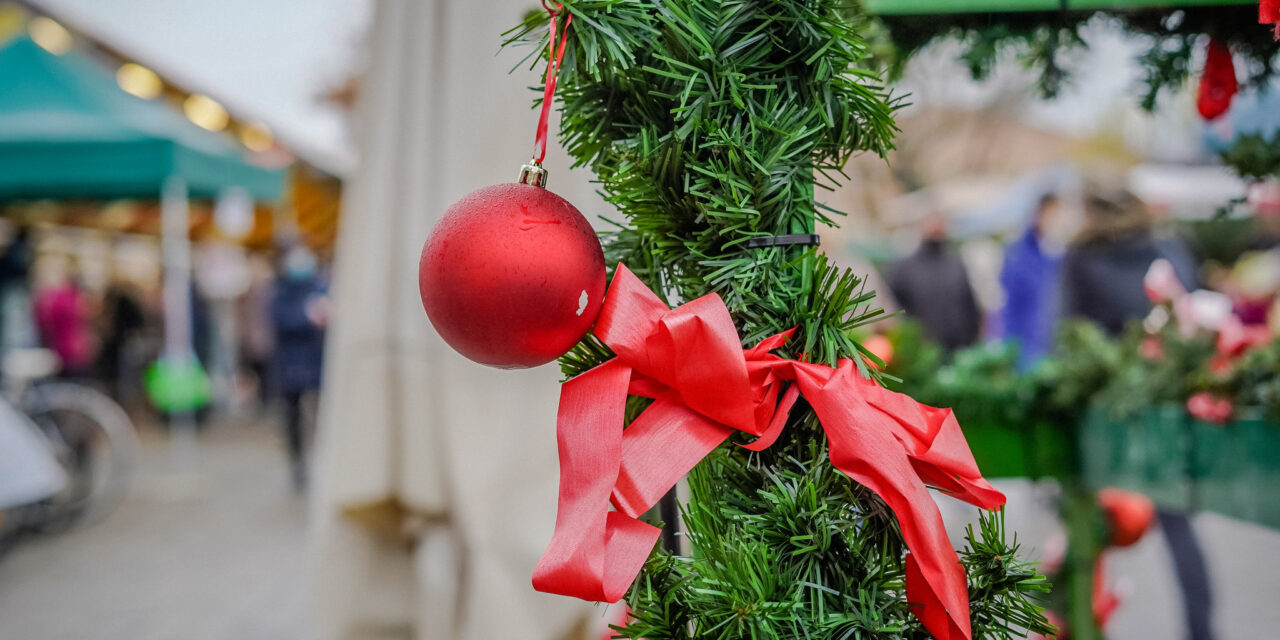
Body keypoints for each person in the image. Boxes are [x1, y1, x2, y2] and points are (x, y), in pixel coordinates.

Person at [271, 246, 328, 491]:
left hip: (315, 364)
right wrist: (307, 317)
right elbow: (280, 321)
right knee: (293, 420)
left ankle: (321, 462)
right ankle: (298, 466)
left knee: (319, 416)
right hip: (291, 365)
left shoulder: (318, 287)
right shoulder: (280, 293)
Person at [887, 213, 982, 351]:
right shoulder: (906, 268)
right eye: (931, 222)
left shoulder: (955, 263)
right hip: (927, 350)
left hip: (963, 347)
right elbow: (894, 303)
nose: (936, 228)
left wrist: (974, 333)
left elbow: (969, 302)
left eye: (940, 222)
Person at [1000, 194, 1063, 369]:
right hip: (1028, 353)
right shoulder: (1018, 255)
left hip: (1061, 352)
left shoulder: (1070, 256)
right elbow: (1010, 309)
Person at [33, 265, 94, 377]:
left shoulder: (55, 297)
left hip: (63, 350)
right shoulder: (73, 298)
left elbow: (44, 322)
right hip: (73, 350)